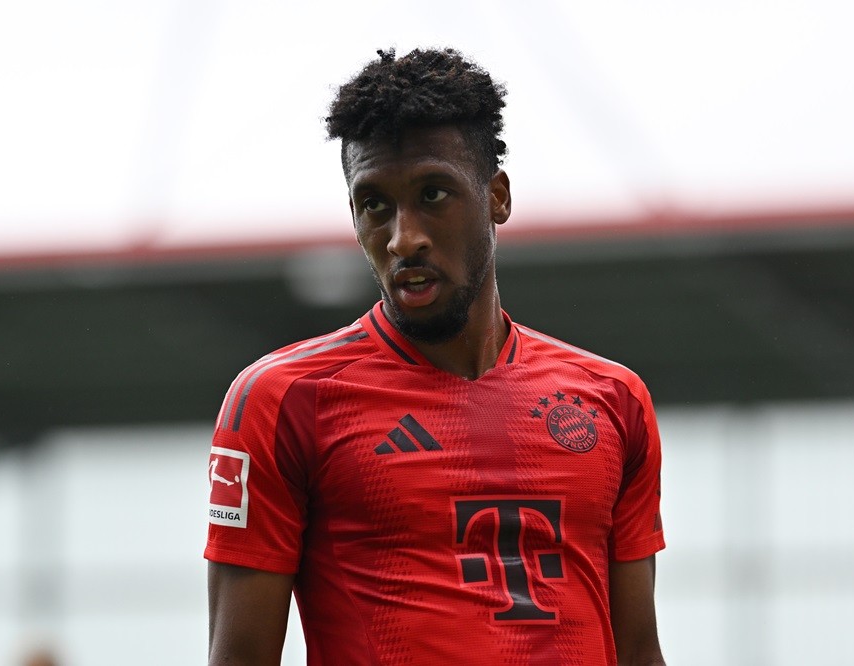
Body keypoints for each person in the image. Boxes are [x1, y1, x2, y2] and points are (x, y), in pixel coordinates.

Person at [205, 47, 666, 665]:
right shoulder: (281, 399)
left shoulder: (610, 399)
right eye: (375, 205)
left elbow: (638, 650)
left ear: (496, 197)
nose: (403, 237)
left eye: (433, 194)